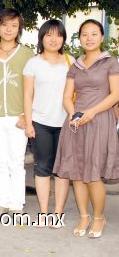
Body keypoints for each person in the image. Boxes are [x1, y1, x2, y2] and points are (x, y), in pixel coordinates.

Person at [53, 19, 119, 238]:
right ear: (79, 38)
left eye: (93, 34)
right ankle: (84, 216)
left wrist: (92, 112)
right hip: (76, 123)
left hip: (99, 121)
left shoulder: (111, 63)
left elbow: (115, 95)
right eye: (84, 34)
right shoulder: (75, 66)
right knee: (77, 174)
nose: (89, 38)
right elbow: (66, 96)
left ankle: (99, 217)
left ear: (102, 37)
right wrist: (72, 113)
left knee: (93, 175)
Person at [0, 9, 34, 216]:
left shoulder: (27, 54)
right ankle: (2, 200)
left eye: (14, 25)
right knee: (1, 160)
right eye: (5, 25)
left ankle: (16, 203)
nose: (9, 29)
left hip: (18, 116)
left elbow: (33, 88)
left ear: (19, 28)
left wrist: (26, 115)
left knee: (17, 160)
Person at [23, 19, 73, 227]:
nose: (54, 39)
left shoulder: (71, 62)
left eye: (58, 35)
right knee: (42, 167)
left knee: (62, 170)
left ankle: (58, 213)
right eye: (49, 35)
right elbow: (27, 95)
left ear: (63, 39)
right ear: (42, 38)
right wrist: (28, 122)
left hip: (65, 124)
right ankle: (44, 213)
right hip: (40, 122)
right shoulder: (33, 63)